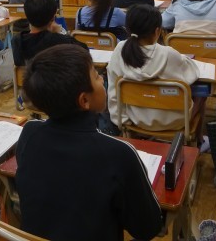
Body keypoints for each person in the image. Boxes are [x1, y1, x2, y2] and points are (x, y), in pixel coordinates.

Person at [16, 44, 163, 241]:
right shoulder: (119, 154)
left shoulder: (29, 133)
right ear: (84, 100)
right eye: (96, 76)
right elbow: (148, 228)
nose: (102, 79)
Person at [107, 4, 201, 132]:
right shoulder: (168, 53)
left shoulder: (120, 50)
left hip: (135, 119)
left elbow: (113, 88)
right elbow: (192, 73)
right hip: (175, 121)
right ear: (157, 31)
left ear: (128, 28)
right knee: (200, 95)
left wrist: (122, 120)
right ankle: (198, 139)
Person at [12, 0, 85, 66]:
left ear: (26, 16)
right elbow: (84, 50)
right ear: (53, 18)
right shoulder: (59, 40)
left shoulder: (17, 41)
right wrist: (61, 32)